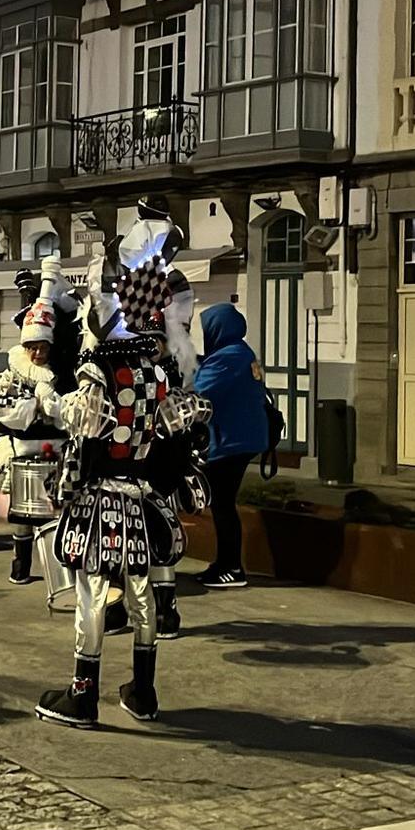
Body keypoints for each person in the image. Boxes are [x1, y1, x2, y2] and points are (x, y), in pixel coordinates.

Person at [35, 272, 207, 729]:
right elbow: (177, 428)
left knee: (91, 593)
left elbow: (82, 421)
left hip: (101, 497)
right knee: (142, 592)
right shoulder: (155, 374)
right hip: (143, 498)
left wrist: (48, 396)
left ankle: (82, 693)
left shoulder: (99, 369)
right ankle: (144, 691)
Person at [0, 257, 76, 585]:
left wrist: (55, 406)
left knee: (58, 512)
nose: (38, 353)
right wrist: (35, 407)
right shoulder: (14, 372)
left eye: (43, 347)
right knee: (23, 515)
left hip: (58, 452)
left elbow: (71, 411)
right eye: (32, 347)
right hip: (23, 451)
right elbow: (0, 404)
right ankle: (21, 564)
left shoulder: (65, 376)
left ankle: (59, 571)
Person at [193, 303, 268, 588]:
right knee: (223, 503)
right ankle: (224, 563)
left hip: (232, 441)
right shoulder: (240, 352)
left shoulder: (228, 358)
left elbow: (200, 388)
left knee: (222, 503)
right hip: (242, 437)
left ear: (218, 329)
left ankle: (231, 567)